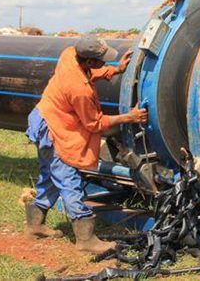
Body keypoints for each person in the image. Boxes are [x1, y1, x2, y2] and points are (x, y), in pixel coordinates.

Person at [24, 36, 147, 254]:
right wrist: (129, 117)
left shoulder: (70, 54)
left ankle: (34, 226)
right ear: (89, 61)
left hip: (42, 118)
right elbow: (95, 123)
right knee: (68, 180)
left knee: (50, 176)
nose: (104, 63)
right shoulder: (79, 90)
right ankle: (85, 239)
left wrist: (115, 70)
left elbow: (89, 74)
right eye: (101, 60)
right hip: (53, 131)